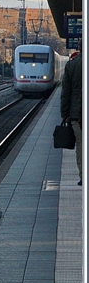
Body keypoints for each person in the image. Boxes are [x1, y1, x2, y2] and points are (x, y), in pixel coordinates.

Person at [60, 49, 82, 185]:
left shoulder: (72, 65)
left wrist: (65, 114)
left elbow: (66, 92)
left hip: (77, 114)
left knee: (81, 144)